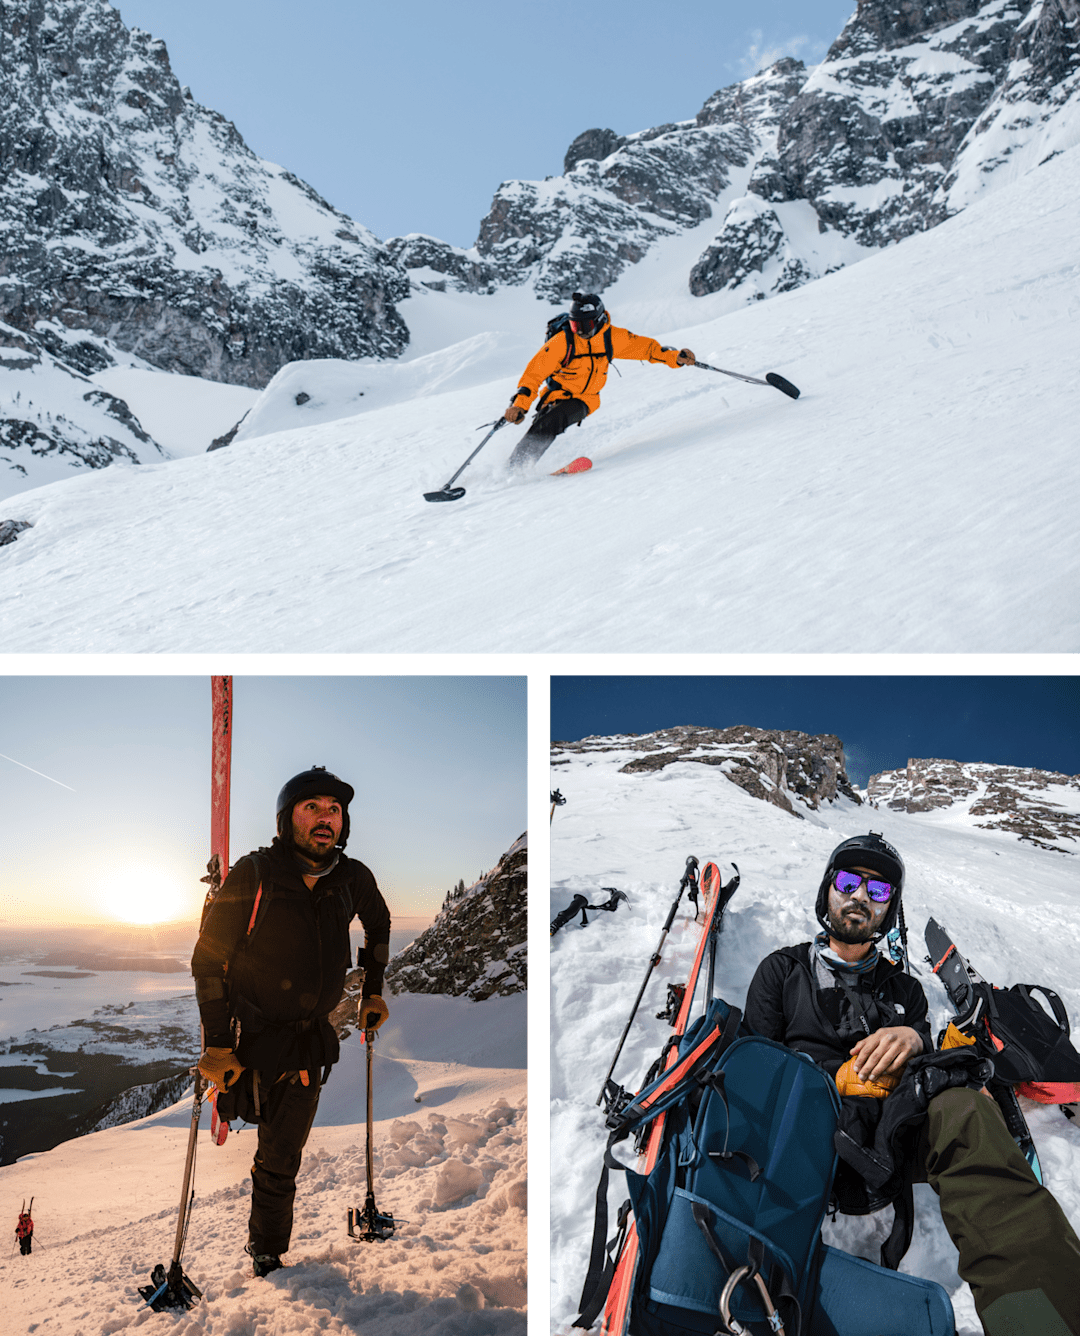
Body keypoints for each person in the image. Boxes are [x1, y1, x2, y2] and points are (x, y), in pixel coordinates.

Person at [744, 832, 1080, 1336]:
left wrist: (917, 1041)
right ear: (827, 891)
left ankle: (1040, 1320)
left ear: (889, 909)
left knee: (965, 1112)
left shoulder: (905, 991)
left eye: (878, 892)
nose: (860, 897)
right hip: (806, 1131)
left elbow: (927, 1073)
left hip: (894, 1134)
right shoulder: (783, 971)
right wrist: (827, 1079)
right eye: (849, 882)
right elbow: (756, 1070)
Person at [192, 766, 391, 1278]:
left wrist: (373, 990)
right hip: (252, 1039)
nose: (326, 818)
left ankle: (266, 1251)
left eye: (335, 810)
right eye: (313, 808)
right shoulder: (255, 874)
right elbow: (208, 959)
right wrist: (218, 1044)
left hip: (309, 1045)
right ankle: (266, 1246)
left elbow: (379, 922)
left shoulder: (352, 878)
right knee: (259, 1134)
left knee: (280, 1158)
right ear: (288, 819)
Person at [503, 292, 696, 469]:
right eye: (575, 325)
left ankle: (516, 469)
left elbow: (648, 349)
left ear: (600, 320)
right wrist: (519, 406)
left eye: (585, 325)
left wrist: (676, 358)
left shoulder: (612, 338)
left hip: (585, 399)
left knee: (553, 421)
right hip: (555, 395)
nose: (579, 331)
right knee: (542, 426)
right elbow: (533, 375)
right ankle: (514, 468)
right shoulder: (561, 342)